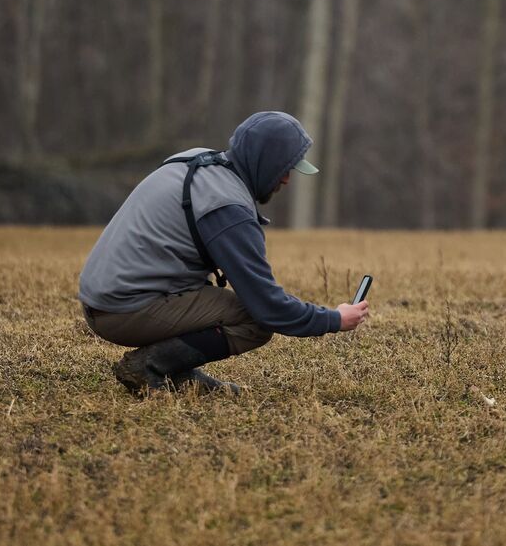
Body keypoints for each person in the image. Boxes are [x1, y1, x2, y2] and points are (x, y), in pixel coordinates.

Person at [77, 110, 369, 395]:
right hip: (120, 311)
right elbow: (268, 307)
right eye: (284, 169)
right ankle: (150, 367)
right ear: (264, 164)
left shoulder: (197, 160)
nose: (286, 180)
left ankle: (179, 373)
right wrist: (334, 319)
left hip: (102, 299)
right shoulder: (227, 208)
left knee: (226, 302)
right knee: (253, 322)